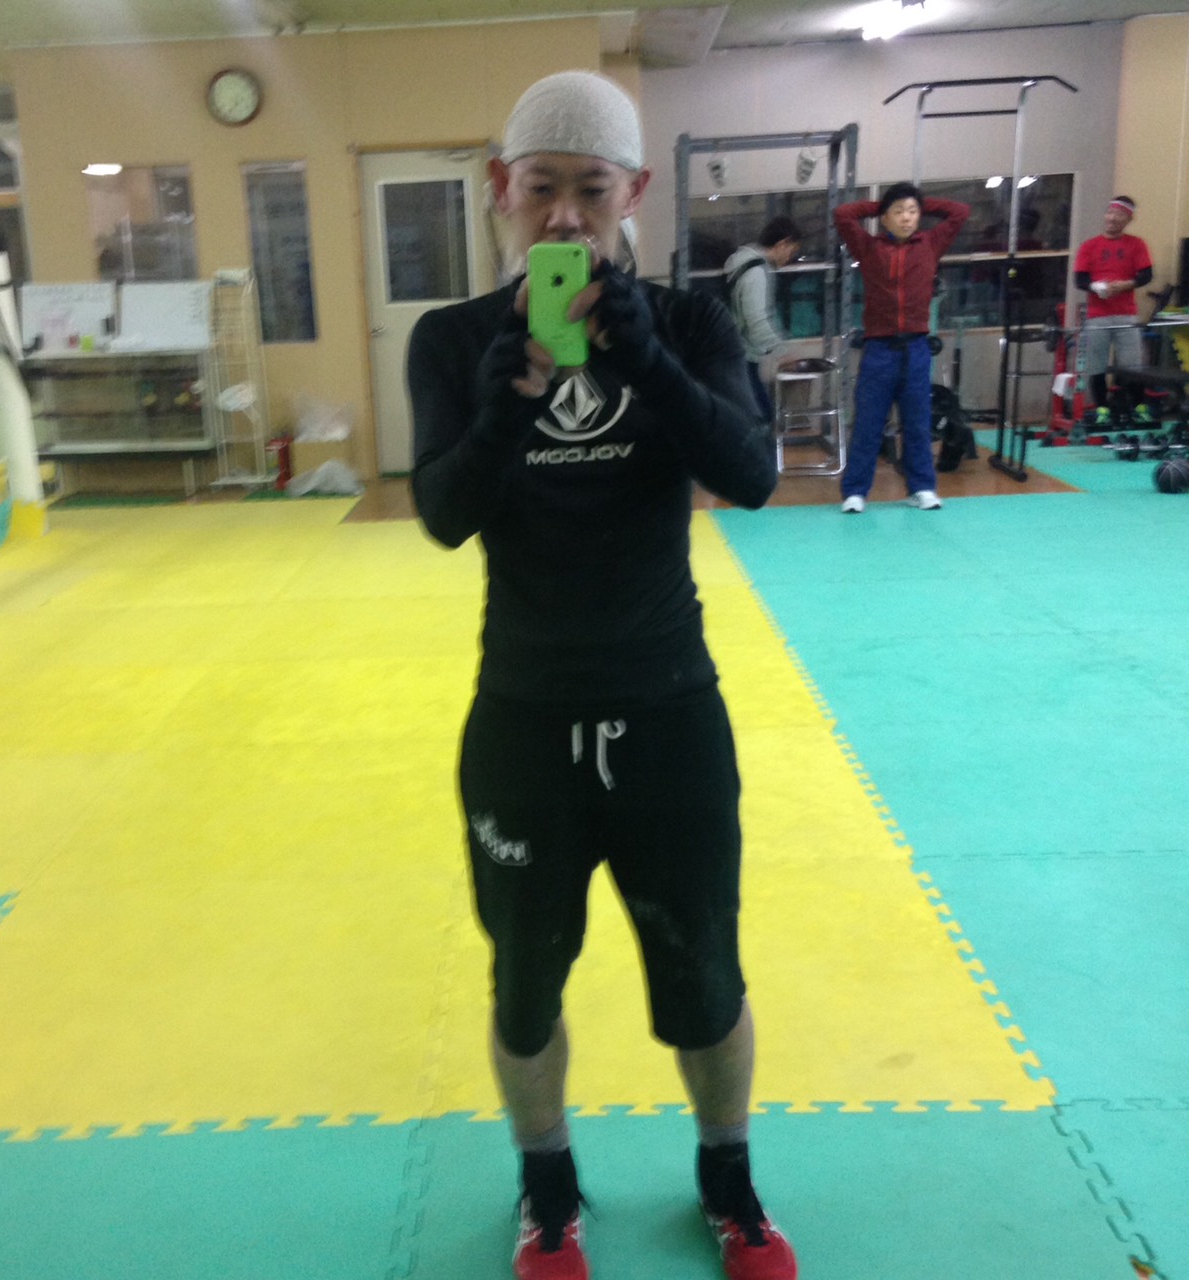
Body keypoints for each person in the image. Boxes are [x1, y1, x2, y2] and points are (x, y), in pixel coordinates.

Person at [407, 69, 796, 1280]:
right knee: (523, 981)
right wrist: (497, 410)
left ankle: (726, 1178)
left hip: (667, 708)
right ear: (499, 190)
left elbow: (751, 476)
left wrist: (650, 362)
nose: (564, 215)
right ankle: (546, 1189)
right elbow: (442, 515)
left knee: (703, 970)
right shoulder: (451, 337)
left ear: (633, 193)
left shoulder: (687, 322)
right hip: (523, 719)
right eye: (540, 188)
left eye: (591, 189)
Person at [833, 182, 969, 512]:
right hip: (879, 350)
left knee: (917, 423)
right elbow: (843, 214)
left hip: (916, 349)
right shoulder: (869, 248)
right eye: (898, 212)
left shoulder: (930, 244)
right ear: (884, 218)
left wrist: (919, 200)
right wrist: (882, 204)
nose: (906, 218)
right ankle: (855, 492)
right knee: (868, 424)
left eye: (912, 212)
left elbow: (960, 212)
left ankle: (922, 488)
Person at [1073, 196, 1154, 426]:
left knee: (1133, 365)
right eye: (1110, 213)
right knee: (1096, 364)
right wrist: (1096, 287)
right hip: (1097, 315)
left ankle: (1138, 406)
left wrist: (1126, 285)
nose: (1112, 218)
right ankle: (1102, 408)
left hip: (1126, 314)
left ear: (1128, 219)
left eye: (1119, 215)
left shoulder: (1137, 244)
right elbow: (1080, 279)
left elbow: (1146, 275)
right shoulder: (1089, 246)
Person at [723, 216, 802, 422]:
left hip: (737, 351)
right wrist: (783, 352)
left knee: (753, 415)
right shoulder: (757, 272)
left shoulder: (746, 264)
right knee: (761, 418)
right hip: (740, 354)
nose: (790, 259)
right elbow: (757, 319)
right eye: (792, 251)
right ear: (782, 244)